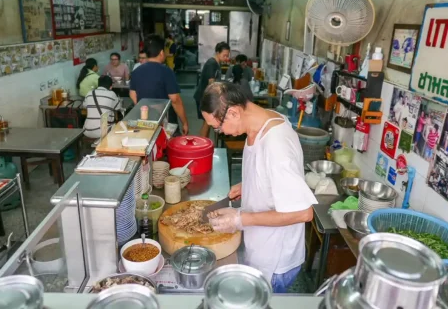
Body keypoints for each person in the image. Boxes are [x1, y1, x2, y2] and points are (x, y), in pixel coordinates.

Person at [202, 83, 317, 293]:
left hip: (274, 263)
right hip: (260, 247)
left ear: (234, 112)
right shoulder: (263, 120)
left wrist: (239, 219)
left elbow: (303, 212)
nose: (220, 132)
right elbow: (273, 174)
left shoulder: (276, 145)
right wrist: (251, 183)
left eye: (218, 127)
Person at [130, 35, 189, 135]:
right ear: (161, 52)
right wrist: (185, 123)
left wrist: (145, 108)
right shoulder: (167, 72)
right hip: (165, 119)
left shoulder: (136, 72)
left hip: (145, 118)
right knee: (168, 146)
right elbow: (175, 100)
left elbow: (132, 94)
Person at [194, 42, 230, 137]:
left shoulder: (217, 63)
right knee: (207, 122)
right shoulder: (212, 64)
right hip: (204, 97)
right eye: (224, 55)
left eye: (227, 56)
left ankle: (205, 143)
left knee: (208, 123)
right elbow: (211, 83)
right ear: (217, 52)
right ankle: (202, 145)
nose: (226, 58)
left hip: (207, 96)